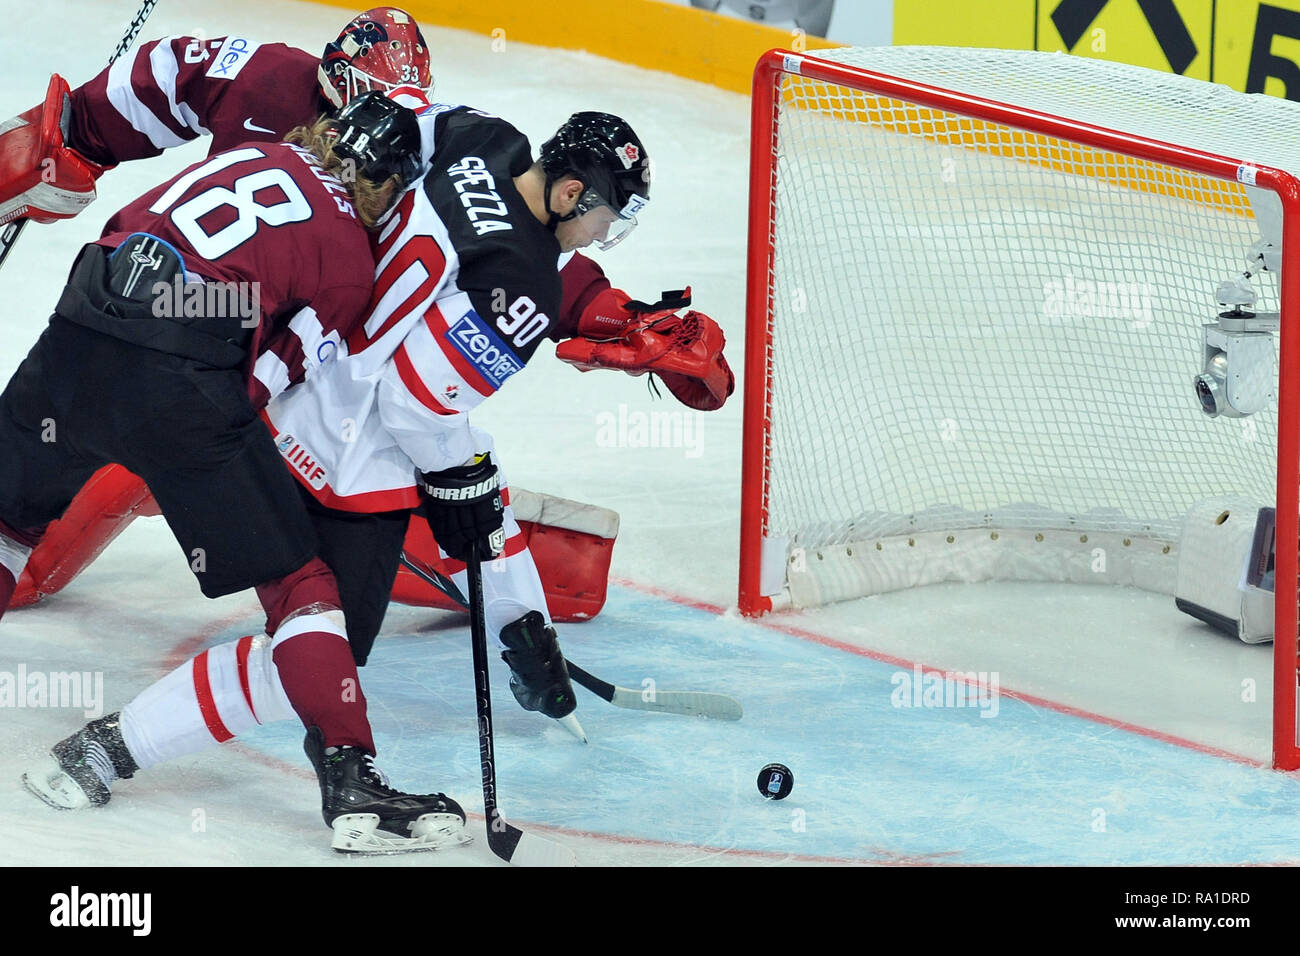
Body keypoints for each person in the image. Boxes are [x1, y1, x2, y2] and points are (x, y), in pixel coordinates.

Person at [20, 99, 735, 832]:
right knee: (314, 651)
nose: (602, 235)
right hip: (353, 462)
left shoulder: (478, 136)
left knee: (448, 506)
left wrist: (605, 317)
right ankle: (112, 751)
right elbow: (417, 406)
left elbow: (383, 132)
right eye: (605, 217)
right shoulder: (525, 291)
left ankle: (521, 637)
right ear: (567, 194)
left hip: (283, 389)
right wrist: (463, 478)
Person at [0, 6, 731, 611]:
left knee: (352, 491)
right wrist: (69, 136)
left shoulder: (427, 140)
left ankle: (516, 583)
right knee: (93, 480)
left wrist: (623, 313)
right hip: (209, 345)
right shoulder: (264, 79)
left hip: (300, 380)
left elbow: (521, 253)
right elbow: (167, 75)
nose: (392, 120)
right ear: (329, 83)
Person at [6, 92, 469, 855]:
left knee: (7, 520)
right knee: (303, 590)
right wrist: (191, 452)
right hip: (182, 385)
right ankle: (352, 777)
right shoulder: (352, 260)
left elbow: (120, 235)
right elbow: (265, 381)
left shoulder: (243, 156)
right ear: (385, 185)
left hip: (76, 333)